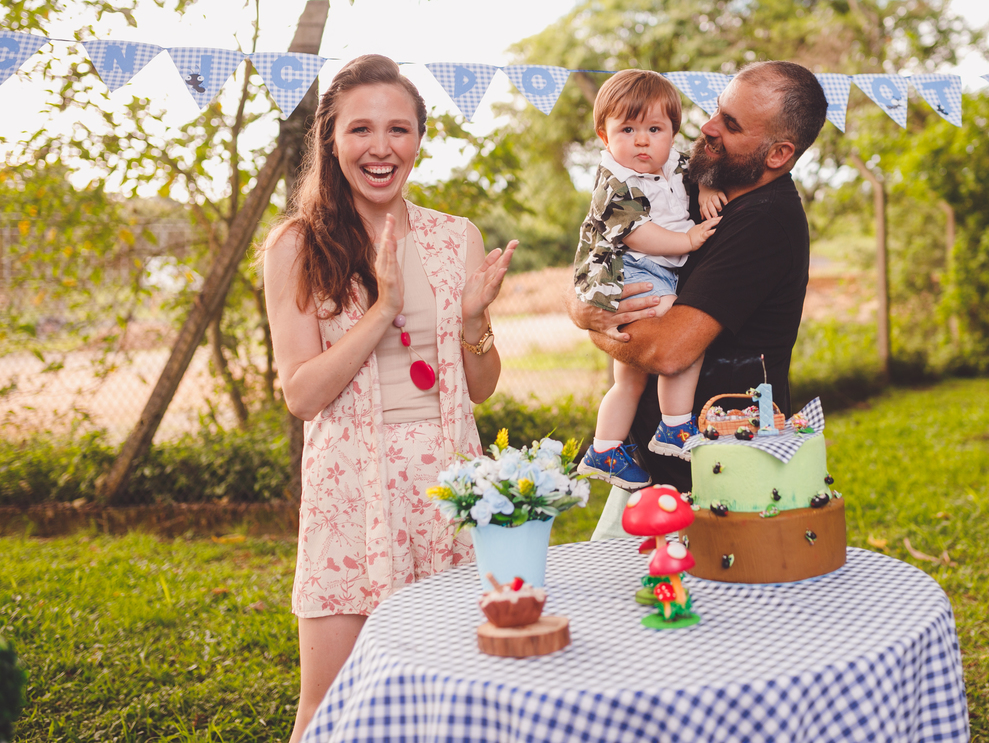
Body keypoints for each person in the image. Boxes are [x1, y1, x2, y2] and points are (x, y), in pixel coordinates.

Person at [261, 54, 518, 742]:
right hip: (353, 494)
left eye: (398, 129)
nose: (381, 148)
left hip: (449, 489)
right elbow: (302, 394)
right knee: (330, 703)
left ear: (419, 138)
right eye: (362, 130)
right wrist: (383, 309)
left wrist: (471, 321)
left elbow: (481, 390)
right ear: (331, 139)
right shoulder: (296, 245)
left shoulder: (454, 236)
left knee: (459, 696)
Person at [567, 60, 828, 538]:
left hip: (727, 473)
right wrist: (583, 302)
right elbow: (606, 241)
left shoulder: (765, 222)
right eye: (716, 111)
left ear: (777, 154)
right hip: (659, 473)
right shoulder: (687, 181)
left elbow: (667, 350)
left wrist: (590, 319)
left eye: (730, 125)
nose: (707, 128)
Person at [573, 70, 723, 490]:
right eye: (628, 129)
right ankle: (675, 425)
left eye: (654, 129)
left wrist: (708, 187)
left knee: (630, 378)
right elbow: (639, 234)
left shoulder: (673, 163)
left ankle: (605, 448)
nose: (642, 140)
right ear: (604, 136)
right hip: (633, 270)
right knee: (678, 334)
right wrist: (688, 238)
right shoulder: (615, 183)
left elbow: (701, 170)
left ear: (672, 133)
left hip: (653, 269)